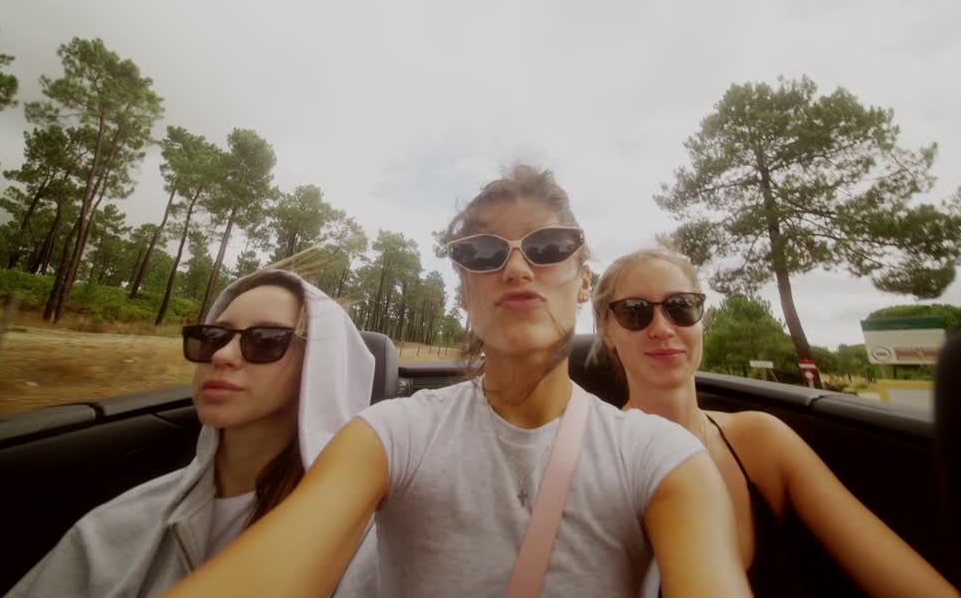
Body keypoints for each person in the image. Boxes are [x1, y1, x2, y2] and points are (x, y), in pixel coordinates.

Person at [166, 166, 751, 597]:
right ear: (463, 290)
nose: (516, 268)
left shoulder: (661, 456)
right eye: (482, 253)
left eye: (547, 247)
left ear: (581, 281)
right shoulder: (391, 434)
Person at [591, 248, 958, 598]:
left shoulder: (760, 440)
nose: (662, 328)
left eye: (681, 307)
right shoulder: (591, 463)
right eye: (635, 312)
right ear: (607, 331)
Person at [7, 270, 378, 597]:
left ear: (321, 367)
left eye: (265, 339)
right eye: (213, 337)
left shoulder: (375, 544)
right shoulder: (116, 526)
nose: (222, 355)